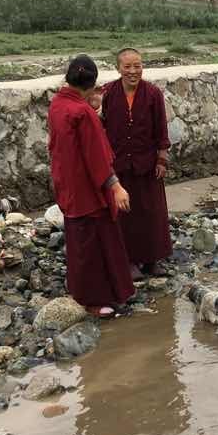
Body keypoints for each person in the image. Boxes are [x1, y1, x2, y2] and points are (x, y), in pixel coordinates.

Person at [47, 54, 135, 318]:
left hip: (67, 184)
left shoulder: (58, 104)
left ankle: (81, 291)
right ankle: (95, 300)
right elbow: (95, 156)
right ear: (90, 84)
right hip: (87, 190)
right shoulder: (82, 113)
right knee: (95, 244)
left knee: (79, 242)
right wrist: (115, 185)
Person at [100, 48, 173, 278]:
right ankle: (129, 261)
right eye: (127, 67)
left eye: (137, 66)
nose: (133, 71)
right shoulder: (109, 93)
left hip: (147, 163)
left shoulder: (153, 94)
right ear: (118, 68)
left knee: (152, 212)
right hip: (120, 164)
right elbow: (100, 126)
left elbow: (161, 129)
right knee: (125, 214)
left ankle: (153, 260)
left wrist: (162, 159)